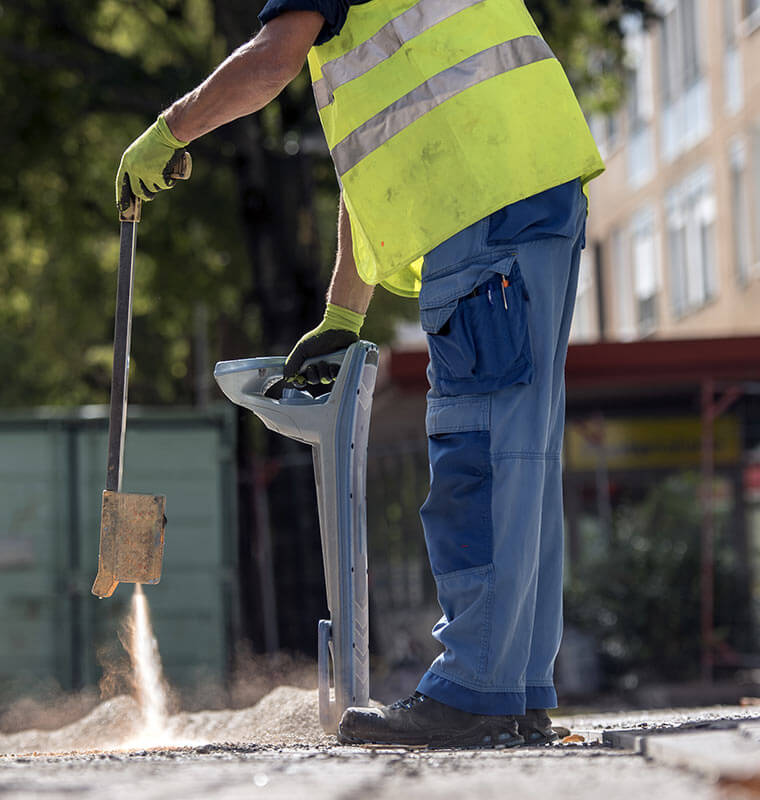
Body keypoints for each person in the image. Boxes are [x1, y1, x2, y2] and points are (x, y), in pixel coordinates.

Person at [115, 0, 604, 749]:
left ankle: (477, 690)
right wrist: (344, 313)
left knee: (479, 450)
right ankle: (511, 689)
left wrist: (171, 128)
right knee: (521, 450)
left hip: (482, 203)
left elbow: (270, 61)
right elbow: (379, 160)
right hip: (527, 181)